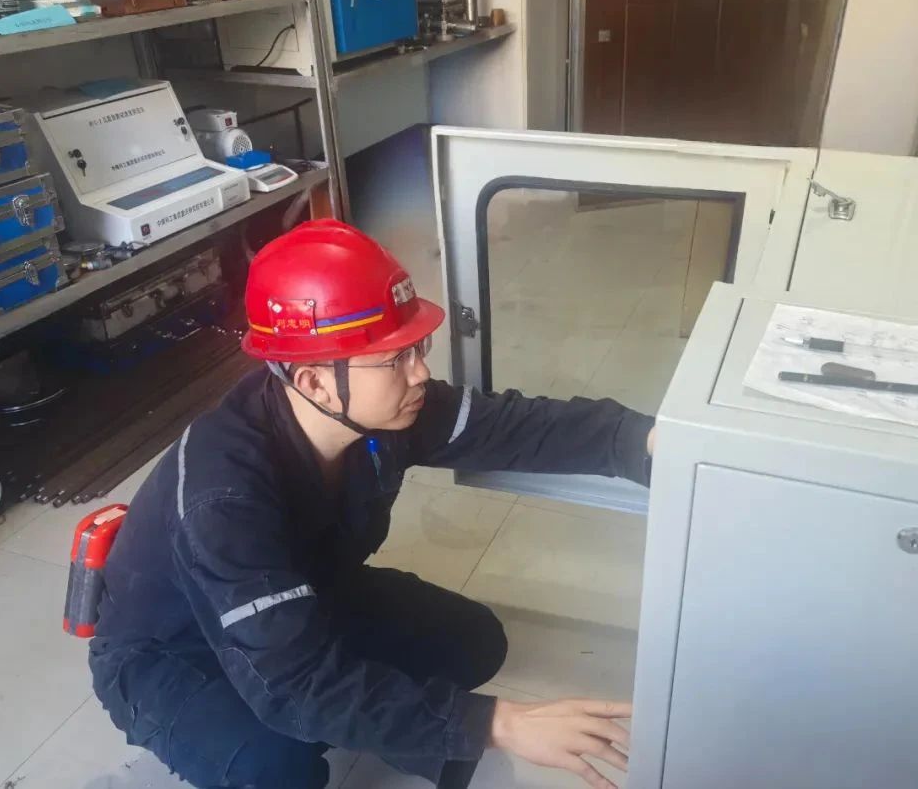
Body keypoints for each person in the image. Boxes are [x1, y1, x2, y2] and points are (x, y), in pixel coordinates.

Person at [89, 220, 656, 789]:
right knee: (277, 767)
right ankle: (271, 731)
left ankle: (380, 724)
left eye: (417, 349)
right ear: (314, 382)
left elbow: (514, 427)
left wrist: (642, 440)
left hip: (303, 595)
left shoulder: (380, 410)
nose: (421, 373)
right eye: (395, 359)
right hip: (171, 654)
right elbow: (297, 687)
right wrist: (496, 724)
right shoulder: (223, 499)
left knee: (471, 641)